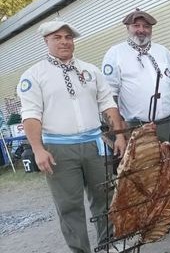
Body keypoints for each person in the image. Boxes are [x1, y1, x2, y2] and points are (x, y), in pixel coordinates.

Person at [18, 20, 127, 253]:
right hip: (59, 149)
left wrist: (118, 135)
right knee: (69, 205)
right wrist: (38, 149)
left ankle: (108, 245)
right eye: (57, 38)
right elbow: (31, 115)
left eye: (68, 37)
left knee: (105, 197)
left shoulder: (90, 70)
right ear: (46, 41)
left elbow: (107, 103)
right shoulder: (34, 75)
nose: (64, 42)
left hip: (94, 145)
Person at [102, 9, 170, 222]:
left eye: (146, 26)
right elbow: (110, 96)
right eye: (137, 26)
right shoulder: (115, 54)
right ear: (128, 28)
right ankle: (153, 217)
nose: (141, 30)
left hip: (169, 119)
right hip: (137, 123)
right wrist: (119, 129)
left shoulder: (162, 52)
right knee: (147, 172)